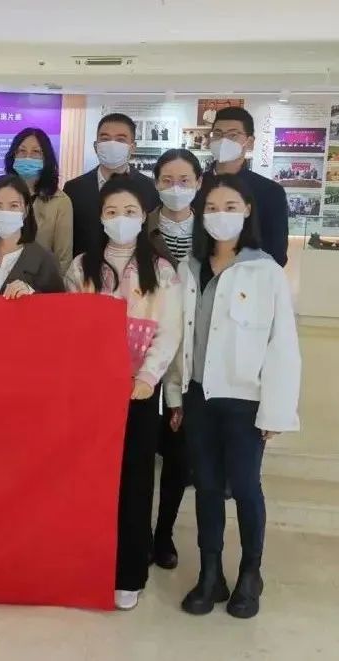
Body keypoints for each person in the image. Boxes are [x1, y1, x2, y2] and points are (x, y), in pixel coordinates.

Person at [167, 174, 301, 619]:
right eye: (211, 208)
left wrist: (276, 411)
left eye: (230, 207)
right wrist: (175, 397)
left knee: (244, 486)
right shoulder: (189, 269)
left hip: (246, 400)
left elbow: (283, 346)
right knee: (206, 486)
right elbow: (179, 339)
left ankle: (250, 572)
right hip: (199, 395)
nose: (220, 215)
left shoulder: (266, 271)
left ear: (247, 211)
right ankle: (210, 573)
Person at [65, 176, 181, 611]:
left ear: (143, 217)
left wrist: (148, 377)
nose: (120, 219)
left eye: (130, 212)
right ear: (100, 218)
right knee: (89, 479)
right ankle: (86, 564)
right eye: (111, 212)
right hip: (91, 393)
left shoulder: (161, 270)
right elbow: (70, 326)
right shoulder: (81, 267)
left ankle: (128, 573)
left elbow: (169, 331)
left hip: (137, 393)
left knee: (134, 482)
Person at [144, 148, 204, 571]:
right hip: (145, 351)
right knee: (142, 449)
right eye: (167, 180)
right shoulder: (138, 224)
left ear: (199, 183)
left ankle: (163, 532)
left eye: (185, 180)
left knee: (179, 453)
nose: (176, 188)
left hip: (193, 356)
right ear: (156, 184)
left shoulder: (213, 230)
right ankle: (135, 526)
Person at [199, 107, 289, 266]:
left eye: (233, 135)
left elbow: (277, 252)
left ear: (249, 141)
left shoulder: (269, 192)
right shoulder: (196, 185)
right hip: (199, 274)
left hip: (250, 275)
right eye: (218, 134)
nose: (223, 140)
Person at [64, 113, 160, 259]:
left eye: (121, 139)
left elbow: (152, 236)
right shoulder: (74, 189)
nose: (112, 145)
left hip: (138, 267)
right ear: (96, 146)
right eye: (105, 139)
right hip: (85, 268)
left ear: (133, 147)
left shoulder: (150, 188)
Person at [0, 174, 65, 297]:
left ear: (26, 210)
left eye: (14, 206)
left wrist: (33, 297)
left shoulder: (45, 261)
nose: (5, 212)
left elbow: (58, 305)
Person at [5, 127, 74, 272]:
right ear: (13, 156)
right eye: (22, 151)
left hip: (41, 281)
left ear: (46, 158)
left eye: (36, 152)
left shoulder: (60, 201)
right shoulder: (0, 193)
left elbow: (63, 258)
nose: (27, 157)